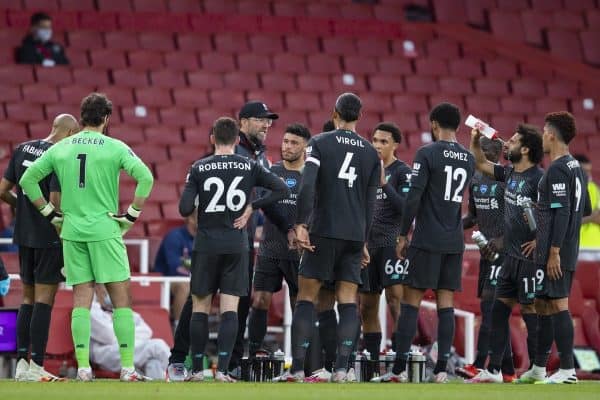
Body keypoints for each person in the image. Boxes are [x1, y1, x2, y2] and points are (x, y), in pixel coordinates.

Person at [19, 93, 154, 382]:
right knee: (121, 299)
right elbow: (146, 178)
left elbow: (27, 180)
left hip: (72, 231)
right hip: (105, 230)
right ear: (106, 119)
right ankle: (128, 368)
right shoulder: (116, 147)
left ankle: (83, 368)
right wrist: (131, 215)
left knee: (82, 298)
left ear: (81, 118)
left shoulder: (61, 148)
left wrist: (49, 213)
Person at [166, 101, 279, 381]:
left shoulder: (199, 167)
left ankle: (196, 369)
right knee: (231, 308)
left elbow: (183, 209)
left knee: (200, 307)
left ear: (213, 138)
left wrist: (199, 204)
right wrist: (253, 206)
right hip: (237, 244)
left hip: (206, 244)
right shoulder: (249, 164)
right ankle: (225, 371)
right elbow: (277, 188)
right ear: (237, 136)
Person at [277, 92, 381, 383]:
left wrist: (301, 224)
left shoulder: (320, 144)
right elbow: (371, 202)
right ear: (360, 117)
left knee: (307, 298)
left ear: (334, 113)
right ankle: (342, 369)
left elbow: (307, 186)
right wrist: (363, 240)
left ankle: (297, 369)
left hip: (322, 231)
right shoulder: (372, 153)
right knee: (348, 300)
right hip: (353, 235)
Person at [373, 102, 475, 384]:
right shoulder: (467, 157)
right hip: (454, 240)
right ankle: (442, 370)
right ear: (456, 126)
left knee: (411, 302)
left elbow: (414, 197)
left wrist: (403, 234)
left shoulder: (427, 153)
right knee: (446, 304)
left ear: (433, 124)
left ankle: (399, 370)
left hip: (427, 238)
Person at [0, 113, 79, 381]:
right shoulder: (59, 156)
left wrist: (22, 207)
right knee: (45, 300)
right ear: (70, 134)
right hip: (48, 237)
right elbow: (55, 204)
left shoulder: (22, 149)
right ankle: (38, 366)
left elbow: (2, 190)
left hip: (23, 235)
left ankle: (22, 363)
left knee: (27, 299)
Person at [516, 112, 591, 384]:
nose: (542, 137)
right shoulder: (577, 169)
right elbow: (584, 209)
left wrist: (555, 249)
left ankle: (568, 369)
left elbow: (563, 212)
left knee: (558, 304)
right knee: (543, 304)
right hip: (561, 246)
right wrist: (545, 216)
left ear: (550, 134)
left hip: (556, 251)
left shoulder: (558, 168)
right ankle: (538, 367)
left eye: (543, 131)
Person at [468, 124, 544, 383]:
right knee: (498, 312)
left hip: (529, 259)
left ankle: (538, 368)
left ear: (524, 149)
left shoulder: (538, 179)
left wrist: (540, 240)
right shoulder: (510, 173)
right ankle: (494, 371)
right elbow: (480, 162)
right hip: (510, 259)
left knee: (529, 310)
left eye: (512, 141)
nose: (506, 144)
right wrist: (475, 139)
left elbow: (555, 214)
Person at [247, 123, 311, 358]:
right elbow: (265, 204)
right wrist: (288, 229)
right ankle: (254, 354)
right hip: (270, 247)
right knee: (260, 299)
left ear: (305, 147)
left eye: (294, 143)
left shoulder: (311, 176)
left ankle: (300, 359)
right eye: (285, 141)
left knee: (299, 305)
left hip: (299, 251)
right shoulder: (271, 172)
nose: (288, 146)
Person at [458, 137, 516, 381]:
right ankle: (509, 371)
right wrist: (450, 227)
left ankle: (480, 364)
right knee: (493, 309)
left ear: (497, 152)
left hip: (505, 251)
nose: (481, 153)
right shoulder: (475, 180)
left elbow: (519, 217)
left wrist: (502, 240)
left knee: (491, 308)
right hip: (486, 252)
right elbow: (472, 216)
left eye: (486, 149)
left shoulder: (507, 180)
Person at [358, 122, 411, 359]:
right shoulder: (364, 169)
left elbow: (407, 208)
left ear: (395, 145)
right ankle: (372, 359)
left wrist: (384, 184)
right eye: (375, 140)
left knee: (395, 300)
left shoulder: (402, 171)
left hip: (392, 244)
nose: (377, 145)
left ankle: (401, 358)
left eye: (384, 141)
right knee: (367, 306)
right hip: (369, 245)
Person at [90, 285, 169, 380]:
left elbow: (147, 332)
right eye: (108, 286)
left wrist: (123, 335)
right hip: (106, 354)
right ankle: (177, 370)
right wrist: (129, 335)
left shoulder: (122, 310)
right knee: (157, 346)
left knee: (153, 363)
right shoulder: (92, 310)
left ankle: (155, 392)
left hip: (133, 348)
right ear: (98, 288)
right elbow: (109, 336)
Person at [153, 211, 196, 324]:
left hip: (191, 278)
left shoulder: (204, 238)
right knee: (184, 286)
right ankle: (178, 328)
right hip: (164, 280)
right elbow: (175, 266)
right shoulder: (174, 236)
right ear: (191, 219)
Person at [573, 154, 600, 249]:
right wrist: (591, 217)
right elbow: (564, 222)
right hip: (576, 246)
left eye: (589, 171)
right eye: (584, 171)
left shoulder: (595, 189)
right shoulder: (564, 190)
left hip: (596, 245)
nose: (588, 175)